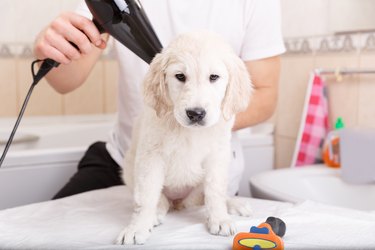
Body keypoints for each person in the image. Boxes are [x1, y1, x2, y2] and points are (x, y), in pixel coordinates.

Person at [33, 0, 285, 199]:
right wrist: (51, 46)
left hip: (204, 171)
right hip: (125, 161)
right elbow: (64, 82)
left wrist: (192, 116)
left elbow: (265, 96)